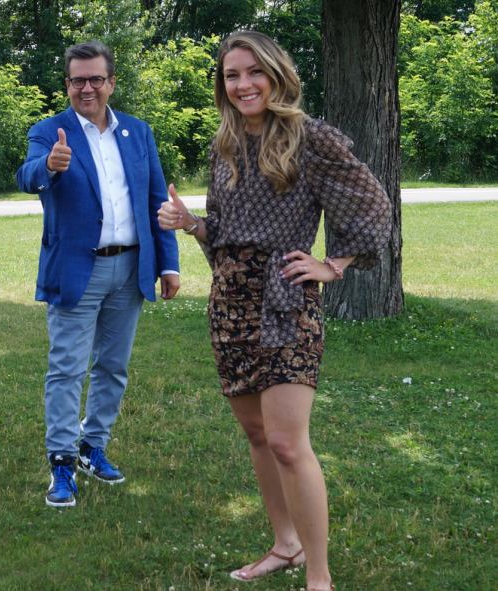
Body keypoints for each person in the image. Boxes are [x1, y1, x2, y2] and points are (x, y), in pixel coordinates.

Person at [158, 31, 392, 591]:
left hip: (286, 303)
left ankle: (319, 576)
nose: (242, 85)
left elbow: (375, 209)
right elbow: (226, 242)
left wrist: (334, 264)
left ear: (276, 74)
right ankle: (284, 545)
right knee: (258, 436)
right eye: (231, 75)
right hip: (230, 303)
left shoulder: (312, 140)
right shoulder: (226, 145)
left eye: (252, 72)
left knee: (289, 441)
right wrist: (191, 225)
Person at [16, 40, 180, 508]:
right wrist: (49, 166)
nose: (86, 88)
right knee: (67, 370)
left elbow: (156, 201)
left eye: (95, 79)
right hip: (76, 270)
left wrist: (167, 263)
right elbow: (26, 175)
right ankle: (62, 462)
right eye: (76, 80)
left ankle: (93, 446)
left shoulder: (138, 133)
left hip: (131, 268)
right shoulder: (51, 130)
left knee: (113, 366)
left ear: (110, 82)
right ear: (66, 84)